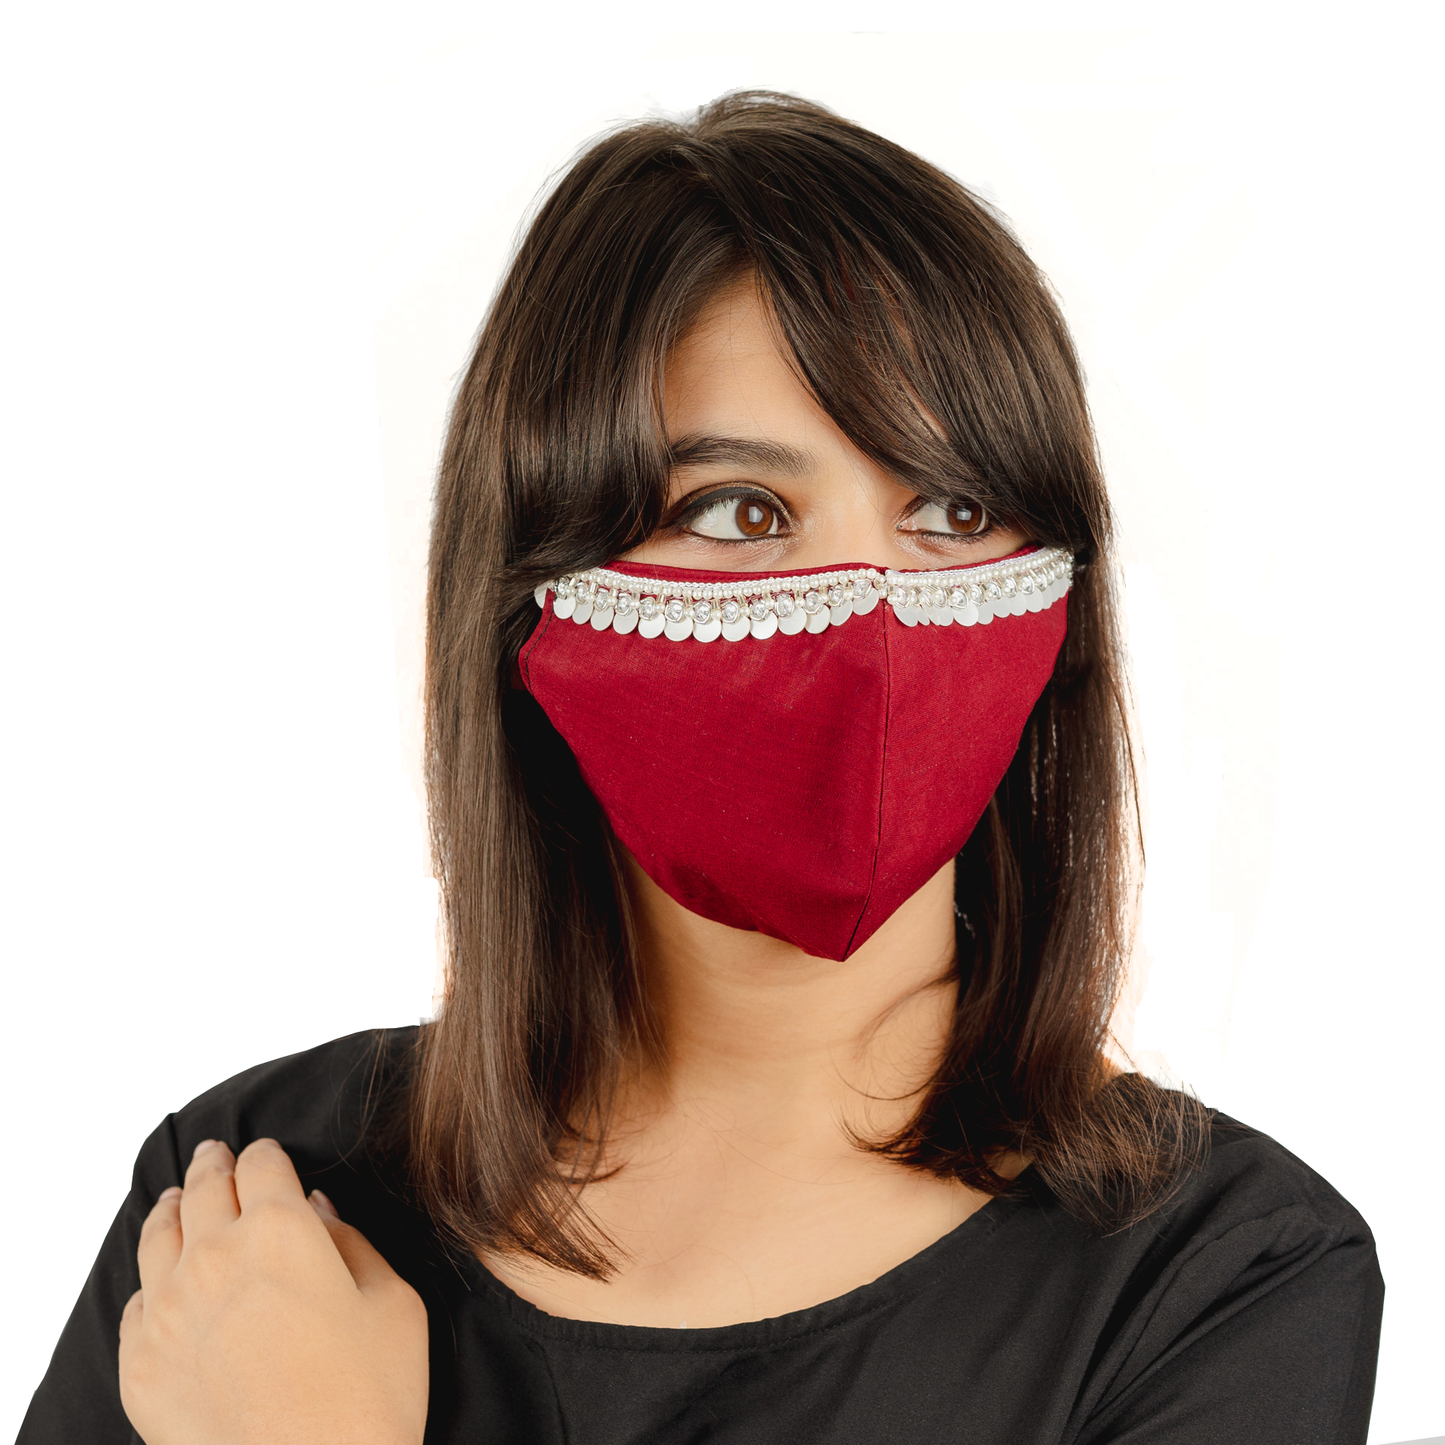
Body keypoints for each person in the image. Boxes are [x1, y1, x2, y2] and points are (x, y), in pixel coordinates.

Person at [20, 92, 1383, 1445]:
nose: (868, 606)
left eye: (952, 510)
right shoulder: (250, 1209)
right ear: (532, 596)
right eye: (742, 512)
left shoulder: (1225, 1280)